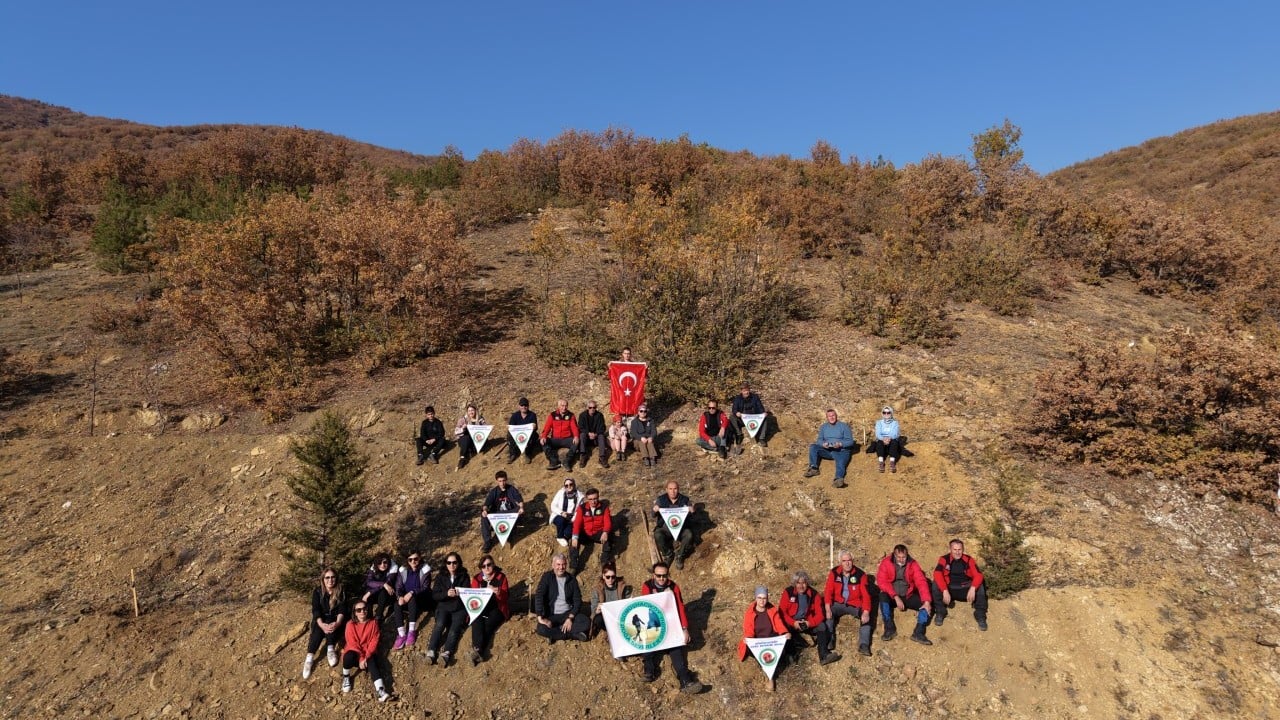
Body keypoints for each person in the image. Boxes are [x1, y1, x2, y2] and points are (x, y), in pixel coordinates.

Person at [639, 562, 704, 693]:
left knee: (677, 649)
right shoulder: (647, 586)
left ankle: (685, 680)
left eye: (664, 575)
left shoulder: (674, 587)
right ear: (653, 575)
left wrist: (684, 629)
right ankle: (649, 671)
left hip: (671, 624)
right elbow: (645, 605)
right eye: (658, 576)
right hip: (654, 624)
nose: (662, 579)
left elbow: (680, 608)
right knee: (648, 644)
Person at [779, 570, 840, 665]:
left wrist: (809, 623)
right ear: (795, 583)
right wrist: (793, 623)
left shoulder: (814, 594)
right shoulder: (788, 592)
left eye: (804, 583)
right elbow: (782, 612)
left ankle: (824, 655)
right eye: (798, 583)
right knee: (783, 626)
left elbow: (820, 615)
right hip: (792, 623)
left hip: (807, 623)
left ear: (807, 583)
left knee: (822, 626)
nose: (801, 586)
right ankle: (791, 654)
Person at [875, 544, 933, 645]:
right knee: (882, 596)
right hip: (892, 595)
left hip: (907, 595)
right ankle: (889, 628)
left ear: (907, 555)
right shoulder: (886, 562)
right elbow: (882, 581)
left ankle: (918, 632)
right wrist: (895, 596)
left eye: (904, 557)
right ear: (894, 555)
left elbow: (921, 581)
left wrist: (927, 601)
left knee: (927, 604)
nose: (901, 559)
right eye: (899, 557)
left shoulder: (913, 564)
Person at [823, 551, 874, 657]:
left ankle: (864, 645)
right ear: (840, 562)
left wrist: (866, 611)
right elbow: (828, 591)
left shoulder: (861, 575)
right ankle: (829, 640)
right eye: (844, 561)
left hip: (854, 604)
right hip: (838, 603)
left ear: (853, 561)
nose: (847, 563)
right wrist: (828, 608)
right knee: (827, 615)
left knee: (867, 617)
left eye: (849, 560)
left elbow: (866, 595)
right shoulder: (834, 572)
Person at [931, 539, 989, 631]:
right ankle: (940, 612)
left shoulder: (969, 559)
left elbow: (978, 575)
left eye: (959, 550)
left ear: (963, 549)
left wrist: (973, 588)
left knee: (980, 585)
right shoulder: (944, 559)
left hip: (965, 590)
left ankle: (980, 615)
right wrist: (945, 590)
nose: (957, 552)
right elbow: (937, 574)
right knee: (935, 584)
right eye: (955, 549)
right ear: (950, 549)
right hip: (949, 590)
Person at [738, 585, 787, 692]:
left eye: (764, 598)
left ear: (767, 599)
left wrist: (785, 632)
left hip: (771, 639)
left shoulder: (772, 609)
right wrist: (748, 639)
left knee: (781, 649)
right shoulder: (750, 612)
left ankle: (770, 674)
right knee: (760, 654)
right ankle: (771, 677)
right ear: (756, 598)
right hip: (758, 641)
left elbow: (778, 623)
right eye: (759, 598)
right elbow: (748, 629)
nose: (762, 601)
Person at [533, 553, 591, 643]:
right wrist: (540, 617)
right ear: (553, 565)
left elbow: (577, 600)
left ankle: (554, 634)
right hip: (551, 614)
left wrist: (570, 618)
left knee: (586, 622)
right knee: (541, 628)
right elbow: (539, 595)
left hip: (567, 614)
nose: (561, 567)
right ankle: (572, 634)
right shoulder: (547, 577)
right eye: (558, 564)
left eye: (563, 564)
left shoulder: (571, 579)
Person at [341, 601, 392, 702]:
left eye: (364, 608)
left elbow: (374, 640)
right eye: (358, 610)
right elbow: (352, 643)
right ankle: (346, 677)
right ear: (355, 612)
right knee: (348, 656)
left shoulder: (373, 623)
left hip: (367, 654)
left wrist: (366, 656)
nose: (362, 611)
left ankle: (380, 690)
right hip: (355, 653)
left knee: (372, 661)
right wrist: (361, 658)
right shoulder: (350, 624)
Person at [425, 552, 469, 666]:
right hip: (444, 606)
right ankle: (431, 651)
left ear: (458, 563)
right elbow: (435, 595)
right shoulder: (441, 576)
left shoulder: (464, 575)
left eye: (454, 562)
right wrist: (446, 594)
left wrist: (460, 593)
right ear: (445, 564)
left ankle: (446, 653)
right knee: (439, 625)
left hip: (459, 607)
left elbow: (468, 592)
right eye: (449, 562)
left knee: (454, 629)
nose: (452, 565)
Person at [302, 568, 345, 680]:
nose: (330, 580)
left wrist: (338, 622)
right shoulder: (317, 592)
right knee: (317, 631)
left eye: (332, 577)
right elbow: (316, 610)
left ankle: (330, 649)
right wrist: (321, 624)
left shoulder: (341, 590)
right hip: (320, 618)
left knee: (331, 625)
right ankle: (309, 657)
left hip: (335, 619)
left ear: (336, 578)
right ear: (323, 579)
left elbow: (342, 609)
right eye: (327, 577)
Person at [469, 554, 510, 665]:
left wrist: (498, 592)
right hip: (481, 607)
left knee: (488, 625)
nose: (486, 568)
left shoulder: (501, 577)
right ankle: (478, 652)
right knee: (476, 620)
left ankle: (477, 649)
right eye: (483, 566)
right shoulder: (477, 579)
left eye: (489, 565)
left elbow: (506, 597)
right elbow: (473, 597)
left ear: (493, 564)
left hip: (497, 607)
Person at [391, 552, 432, 650]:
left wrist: (412, 592)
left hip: (421, 599)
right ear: (407, 561)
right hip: (406, 599)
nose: (413, 561)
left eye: (415, 559)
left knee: (412, 599)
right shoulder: (403, 571)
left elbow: (425, 587)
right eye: (410, 559)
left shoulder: (425, 570)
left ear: (420, 558)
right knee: (397, 605)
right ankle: (401, 634)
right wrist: (400, 596)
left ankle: (411, 631)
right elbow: (398, 586)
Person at [804, 409, 854, 488]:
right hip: (828, 450)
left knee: (840, 462)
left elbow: (851, 441)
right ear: (827, 417)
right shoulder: (823, 427)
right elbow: (819, 440)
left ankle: (838, 479)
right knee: (813, 447)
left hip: (841, 451)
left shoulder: (844, 426)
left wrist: (840, 444)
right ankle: (814, 468)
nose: (831, 417)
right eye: (829, 416)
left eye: (833, 415)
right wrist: (823, 444)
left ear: (836, 416)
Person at [652, 480, 693, 569]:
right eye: (670, 489)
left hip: (680, 529)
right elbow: (652, 515)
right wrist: (655, 509)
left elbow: (692, 514)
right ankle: (668, 555)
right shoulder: (661, 499)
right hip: (665, 529)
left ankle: (680, 555)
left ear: (678, 489)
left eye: (675, 489)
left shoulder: (685, 499)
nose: (673, 491)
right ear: (666, 489)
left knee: (689, 534)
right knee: (657, 534)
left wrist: (692, 510)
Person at [480, 471, 525, 553]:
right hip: (497, 513)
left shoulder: (511, 489)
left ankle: (513, 529)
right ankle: (487, 542)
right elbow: (486, 504)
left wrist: (521, 507)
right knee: (484, 516)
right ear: (497, 481)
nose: (502, 483)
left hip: (510, 512)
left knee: (519, 509)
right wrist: (485, 510)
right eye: (500, 481)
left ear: (506, 480)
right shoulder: (494, 491)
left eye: (504, 480)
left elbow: (520, 500)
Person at [571, 487, 612, 573]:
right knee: (574, 542)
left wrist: (605, 532)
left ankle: (604, 563)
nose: (593, 501)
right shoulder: (582, 508)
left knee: (608, 539)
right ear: (587, 499)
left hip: (598, 533)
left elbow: (608, 522)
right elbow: (577, 523)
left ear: (598, 497)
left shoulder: (604, 507)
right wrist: (575, 537)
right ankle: (573, 567)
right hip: (586, 533)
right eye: (590, 499)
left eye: (595, 499)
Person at [590, 562, 632, 635]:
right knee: (598, 619)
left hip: (619, 615)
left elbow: (628, 603)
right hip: (605, 617)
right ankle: (612, 632)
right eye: (608, 577)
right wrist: (597, 609)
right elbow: (593, 610)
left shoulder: (622, 587)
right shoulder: (597, 589)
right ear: (603, 576)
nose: (610, 579)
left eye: (613, 577)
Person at [541, 398, 580, 471]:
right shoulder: (552, 415)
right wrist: (544, 436)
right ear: (558, 406)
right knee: (543, 441)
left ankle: (567, 461)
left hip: (567, 439)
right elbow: (547, 428)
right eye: (562, 406)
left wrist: (576, 436)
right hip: (555, 439)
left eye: (566, 406)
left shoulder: (571, 415)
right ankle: (554, 461)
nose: (564, 408)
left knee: (577, 442)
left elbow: (575, 428)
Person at [730, 382, 769, 448]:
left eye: (747, 390)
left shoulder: (755, 397)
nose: (746, 392)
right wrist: (737, 413)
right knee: (732, 417)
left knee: (765, 418)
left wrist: (763, 413)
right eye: (744, 391)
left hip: (753, 419)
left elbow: (760, 407)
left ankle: (761, 438)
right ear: (741, 391)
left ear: (749, 390)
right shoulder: (737, 398)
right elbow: (734, 409)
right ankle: (739, 434)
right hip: (742, 419)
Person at [548, 477, 582, 548]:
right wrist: (561, 513)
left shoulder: (580, 496)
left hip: (571, 518)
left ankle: (564, 536)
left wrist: (573, 519)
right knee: (561, 520)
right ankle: (559, 537)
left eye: (571, 484)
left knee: (568, 533)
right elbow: (553, 505)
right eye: (566, 485)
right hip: (559, 515)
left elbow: (579, 511)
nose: (568, 486)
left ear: (574, 484)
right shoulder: (561, 493)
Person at [505, 397, 541, 464]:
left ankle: (528, 453)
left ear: (528, 406)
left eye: (525, 405)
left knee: (535, 435)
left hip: (528, 435)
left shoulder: (532, 415)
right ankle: (512, 454)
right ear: (519, 406)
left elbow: (535, 428)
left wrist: (534, 426)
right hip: (517, 435)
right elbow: (511, 427)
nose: (524, 407)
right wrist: (509, 428)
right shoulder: (515, 415)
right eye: (522, 405)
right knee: (509, 435)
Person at [361, 553, 397, 618]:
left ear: (388, 562)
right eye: (379, 563)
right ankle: (369, 617)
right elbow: (369, 582)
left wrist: (370, 592)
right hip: (375, 594)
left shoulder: (393, 570)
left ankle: (378, 616)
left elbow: (388, 583)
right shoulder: (373, 569)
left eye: (385, 562)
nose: (382, 565)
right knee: (369, 595)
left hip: (388, 595)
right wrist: (383, 584)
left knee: (383, 591)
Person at [576, 400, 609, 468]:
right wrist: (588, 433)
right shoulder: (582, 415)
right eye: (590, 407)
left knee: (601, 436)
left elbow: (602, 427)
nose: (592, 409)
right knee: (582, 434)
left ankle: (602, 457)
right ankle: (583, 455)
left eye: (594, 407)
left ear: (596, 407)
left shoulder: (599, 415)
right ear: (587, 408)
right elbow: (580, 427)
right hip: (587, 438)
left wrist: (596, 434)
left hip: (596, 438)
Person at [452, 403, 485, 470]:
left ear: (475, 411)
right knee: (466, 438)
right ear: (467, 412)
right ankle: (462, 457)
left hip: (475, 439)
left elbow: (485, 429)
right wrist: (463, 428)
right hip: (464, 439)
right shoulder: (462, 419)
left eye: (472, 410)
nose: (471, 412)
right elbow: (456, 432)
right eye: (469, 411)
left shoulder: (480, 419)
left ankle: (470, 450)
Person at [873, 406, 903, 473]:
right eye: (884, 412)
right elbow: (878, 433)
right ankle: (881, 462)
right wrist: (883, 439)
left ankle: (892, 462)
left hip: (891, 439)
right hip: (882, 439)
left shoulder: (895, 423)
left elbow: (895, 433)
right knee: (879, 442)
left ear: (891, 413)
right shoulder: (879, 422)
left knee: (894, 442)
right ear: (882, 413)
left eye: (888, 412)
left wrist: (889, 438)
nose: (886, 414)